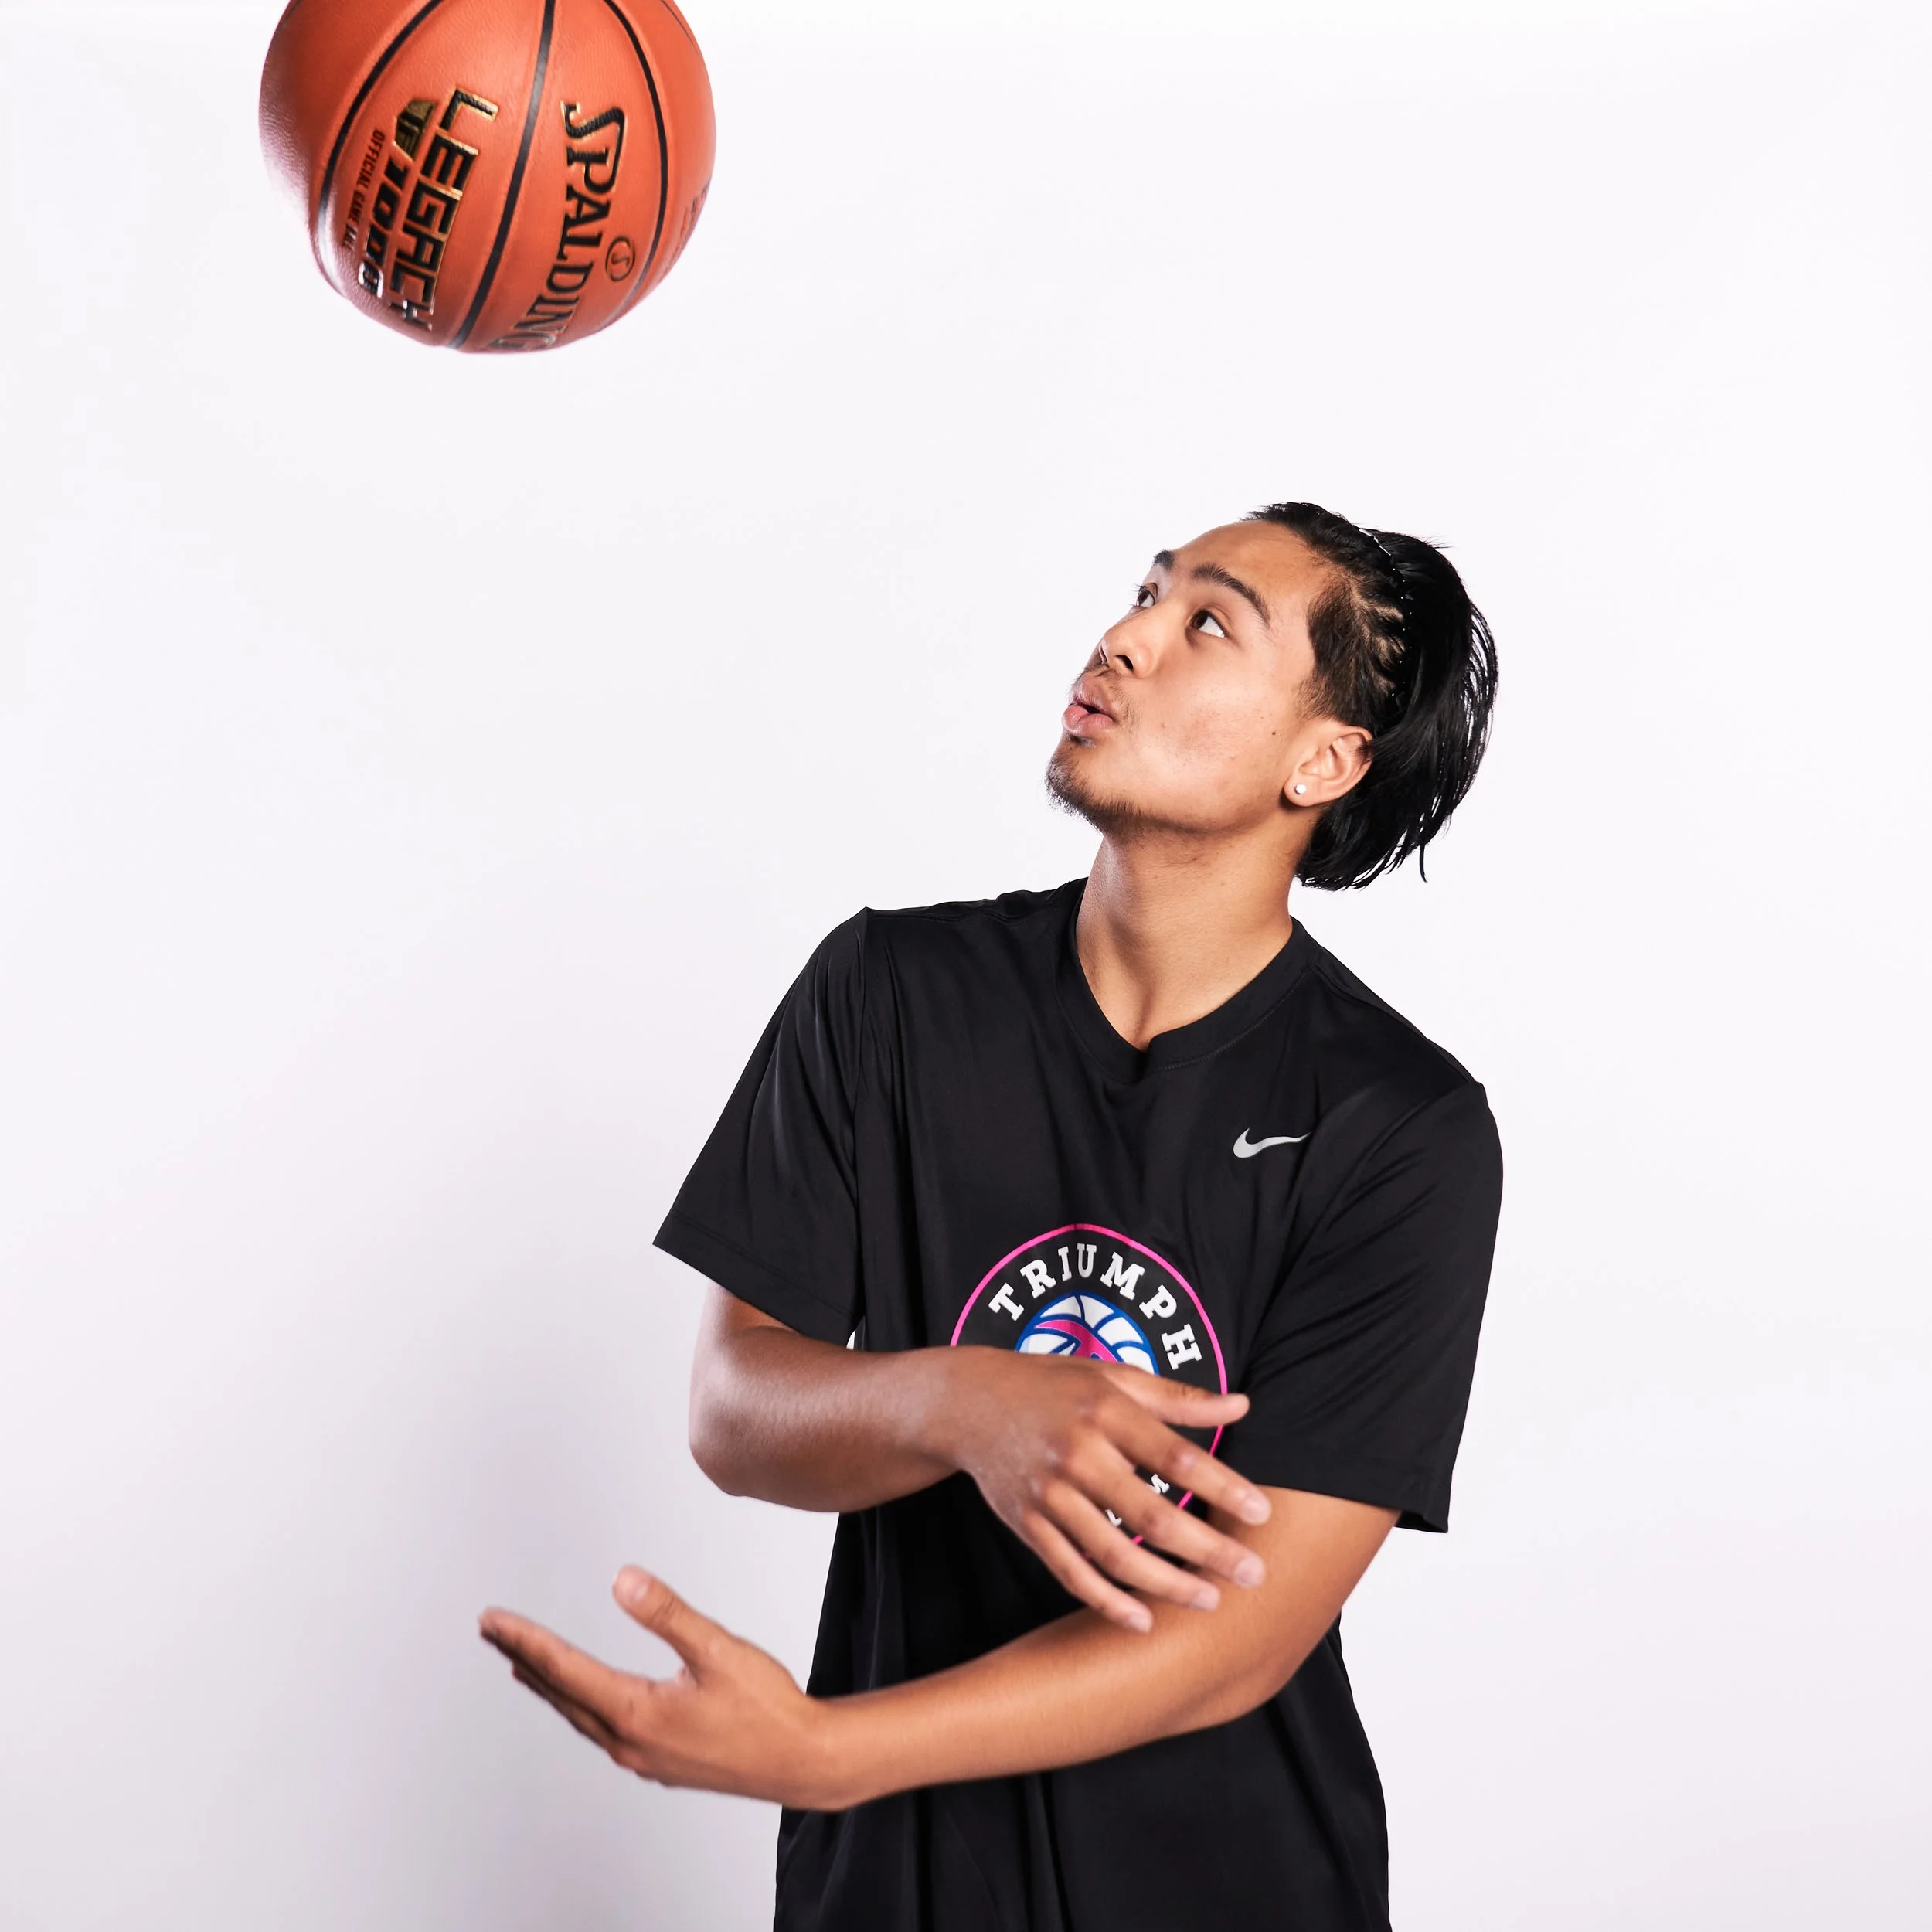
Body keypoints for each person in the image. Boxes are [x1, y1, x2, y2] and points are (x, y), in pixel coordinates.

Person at [481, 501, 1505, 1930]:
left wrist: (828, 1754)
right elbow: (730, 1405)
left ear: (1322, 760)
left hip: (1234, 1885)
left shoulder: (1404, 1126)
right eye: (1146, 592)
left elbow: (1242, 1636)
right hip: (898, 1889)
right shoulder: (889, 992)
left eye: (1208, 621)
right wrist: (968, 1403)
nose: (1127, 637)